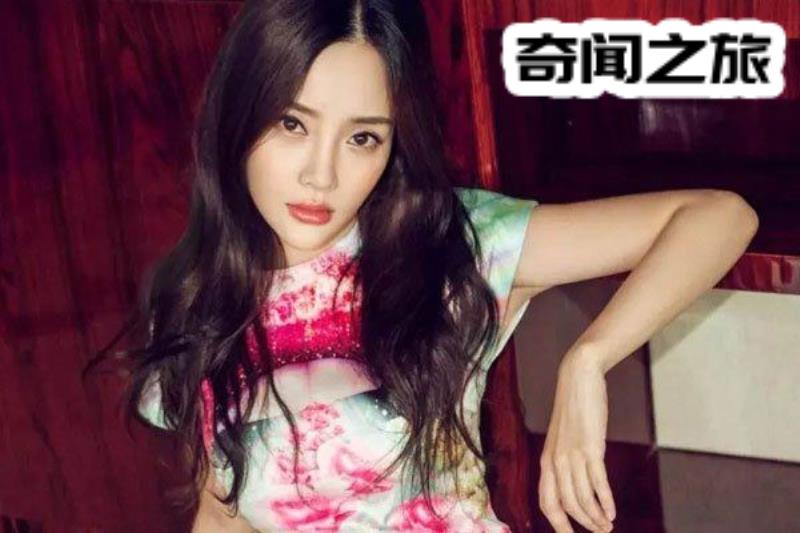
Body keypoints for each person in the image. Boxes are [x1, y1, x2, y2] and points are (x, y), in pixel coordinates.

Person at [85, 1, 759, 532]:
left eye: (362, 137)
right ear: (238, 116)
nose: (321, 174)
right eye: (293, 124)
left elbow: (718, 216)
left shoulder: (449, 247)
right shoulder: (194, 299)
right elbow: (223, 513)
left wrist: (588, 360)